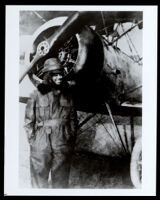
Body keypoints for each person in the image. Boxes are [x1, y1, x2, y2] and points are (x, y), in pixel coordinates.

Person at [24, 58, 77, 188]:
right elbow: (29, 121)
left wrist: (70, 137)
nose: (59, 77)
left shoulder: (67, 94)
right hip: (41, 143)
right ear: (48, 75)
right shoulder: (36, 95)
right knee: (38, 182)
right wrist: (34, 141)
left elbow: (73, 119)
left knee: (61, 183)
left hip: (62, 143)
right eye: (55, 74)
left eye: (60, 74)